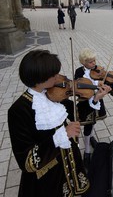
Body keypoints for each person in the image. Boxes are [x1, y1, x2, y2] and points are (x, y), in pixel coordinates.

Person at [8, 49, 90, 197]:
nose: (58, 77)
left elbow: (79, 115)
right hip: (50, 177)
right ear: (40, 78)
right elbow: (26, 161)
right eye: (54, 75)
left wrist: (95, 99)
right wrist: (63, 134)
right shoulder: (19, 110)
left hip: (72, 162)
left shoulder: (54, 93)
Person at [73, 48, 113, 170]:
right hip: (86, 103)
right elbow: (80, 86)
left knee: (94, 122)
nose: (94, 63)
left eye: (94, 60)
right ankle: (86, 151)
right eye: (90, 62)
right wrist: (96, 85)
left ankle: (90, 137)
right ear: (83, 62)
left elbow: (108, 81)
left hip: (97, 99)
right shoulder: (79, 72)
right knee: (88, 125)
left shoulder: (98, 70)